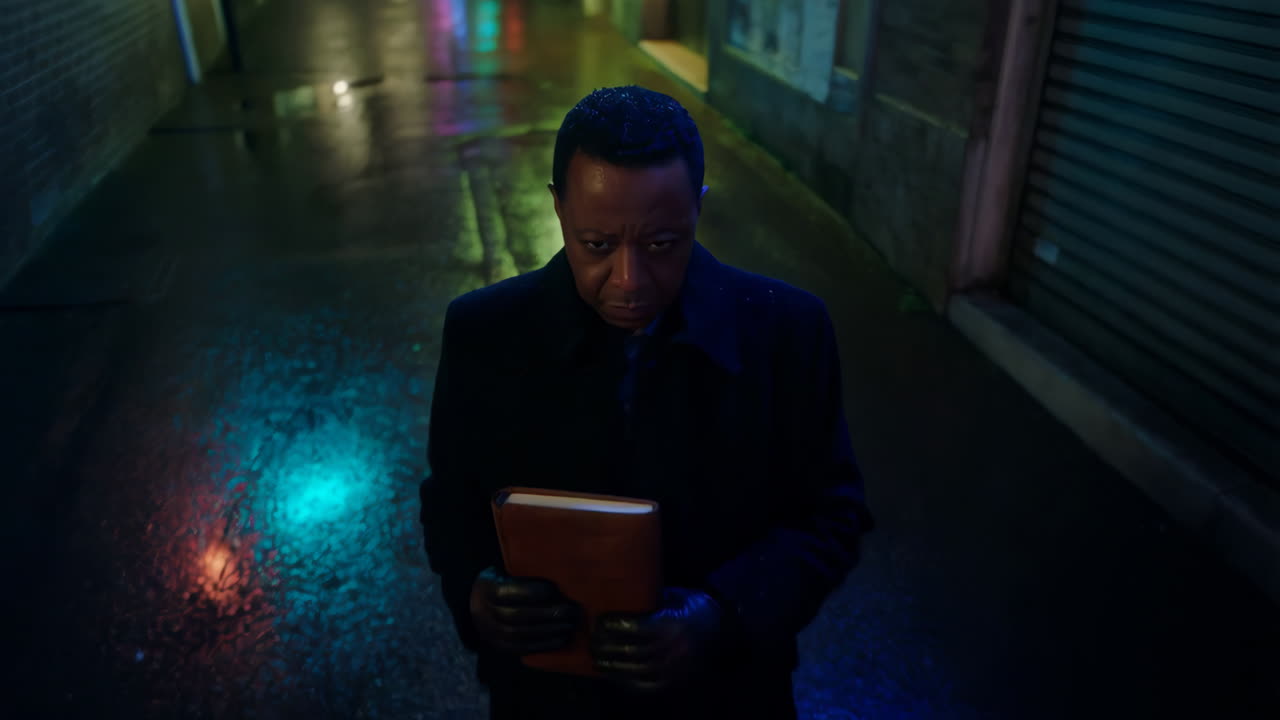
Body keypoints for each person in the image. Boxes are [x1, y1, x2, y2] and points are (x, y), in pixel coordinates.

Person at [419, 85, 872, 720]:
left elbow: (833, 512)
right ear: (558, 209)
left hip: (725, 697)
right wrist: (476, 591)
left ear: (699, 210)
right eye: (597, 245)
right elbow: (451, 501)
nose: (629, 282)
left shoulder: (787, 332)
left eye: (662, 244)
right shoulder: (484, 332)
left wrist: (722, 614)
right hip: (547, 701)